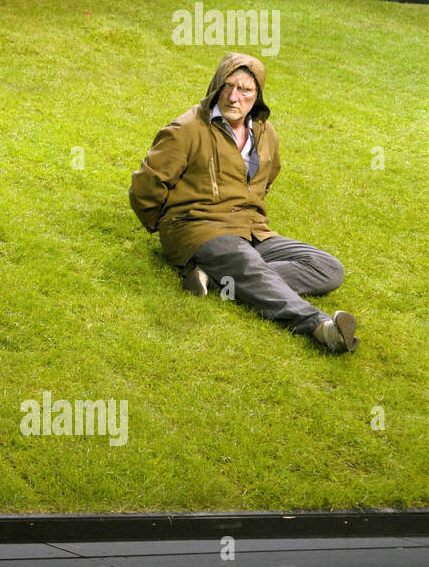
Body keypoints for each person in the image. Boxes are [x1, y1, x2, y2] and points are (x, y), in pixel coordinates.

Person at [128, 51, 358, 353]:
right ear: (216, 86)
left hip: (251, 229)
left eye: (245, 90)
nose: (234, 97)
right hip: (199, 227)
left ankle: (215, 276)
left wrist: (249, 216)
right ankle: (322, 328)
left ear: (257, 95)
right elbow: (146, 185)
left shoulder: (265, 133)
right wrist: (169, 229)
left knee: (328, 268)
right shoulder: (186, 130)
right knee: (248, 265)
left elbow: (267, 177)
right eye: (228, 86)